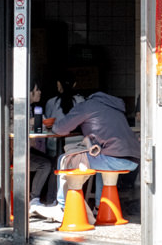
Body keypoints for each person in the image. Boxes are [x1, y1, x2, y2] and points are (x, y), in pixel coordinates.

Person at [34, 91, 139, 222]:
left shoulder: (87, 106)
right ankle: (99, 207)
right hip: (133, 159)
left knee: (65, 159)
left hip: (113, 157)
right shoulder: (115, 107)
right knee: (102, 168)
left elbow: (60, 129)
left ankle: (62, 207)